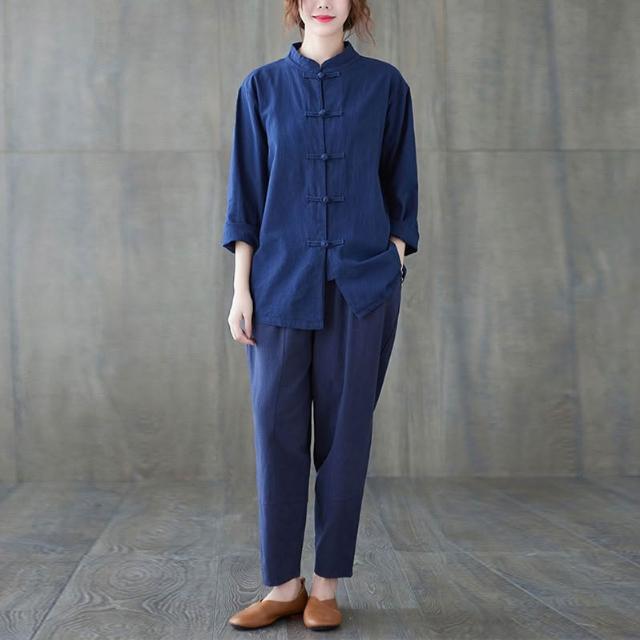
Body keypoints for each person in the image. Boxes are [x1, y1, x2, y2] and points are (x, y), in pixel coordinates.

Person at [221, 0, 419, 631]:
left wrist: (390, 258)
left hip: (361, 288)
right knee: (276, 432)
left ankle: (326, 586)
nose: (323, 1)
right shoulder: (261, 87)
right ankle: (283, 585)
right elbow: (246, 195)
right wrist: (241, 290)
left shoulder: (386, 85)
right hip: (278, 285)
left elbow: (402, 187)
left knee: (345, 435)